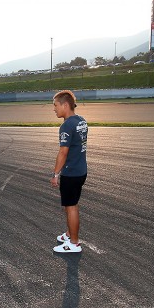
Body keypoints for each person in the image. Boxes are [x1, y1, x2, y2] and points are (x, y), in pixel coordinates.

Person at [50, 90, 88, 253]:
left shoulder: (66, 125)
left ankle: (74, 243)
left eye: (55, 105)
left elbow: (63, 152)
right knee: (70, 204)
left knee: (71, 206)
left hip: (71, 173)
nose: (54, 109)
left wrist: (55, 174)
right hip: (81, 169)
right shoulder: (81, 121)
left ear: (65, 105)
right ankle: (69, 233)